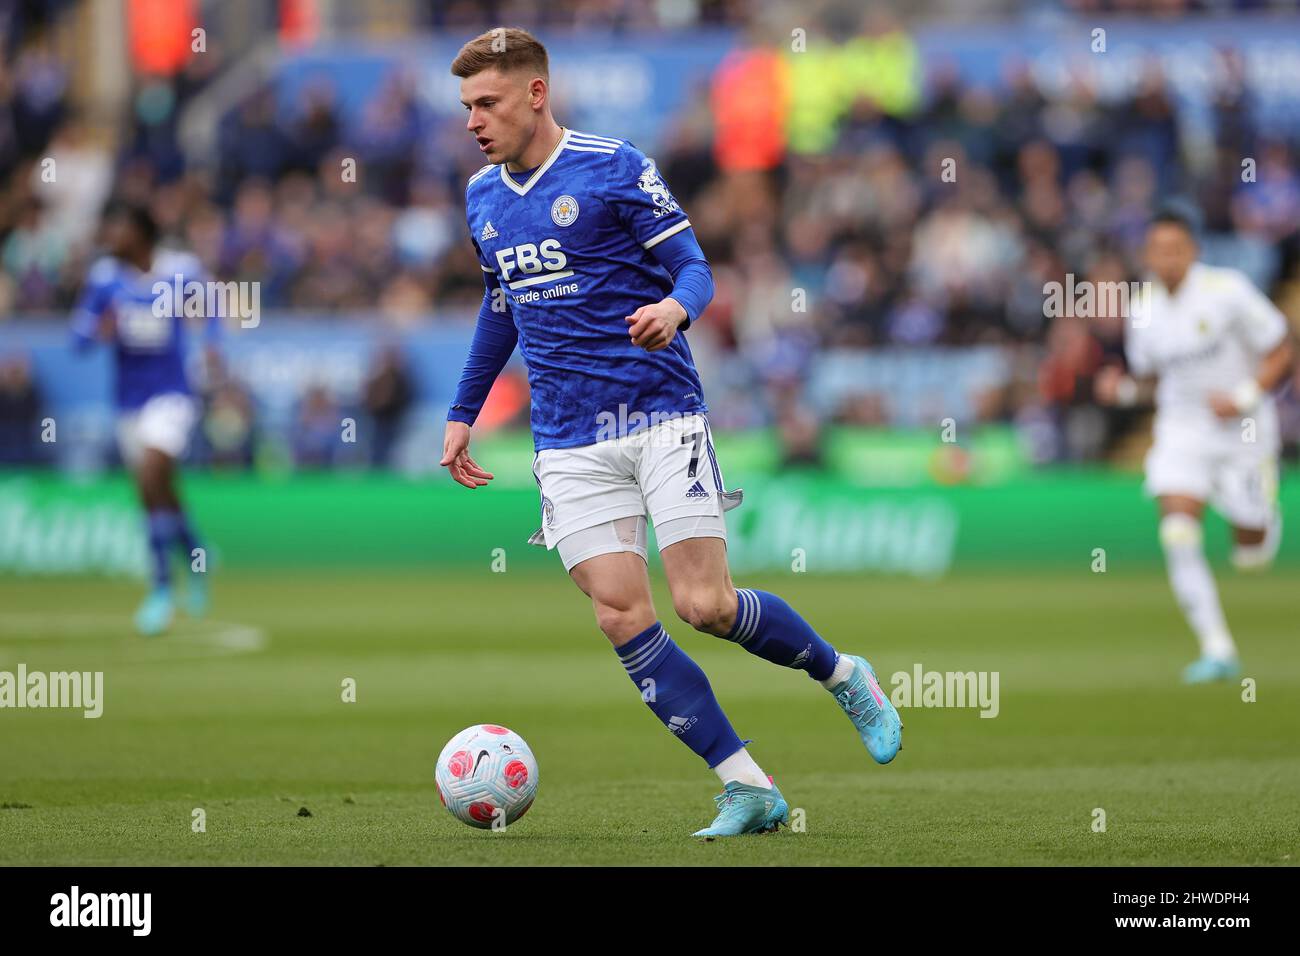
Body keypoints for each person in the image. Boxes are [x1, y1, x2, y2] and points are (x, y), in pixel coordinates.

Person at [440, 28, 902, 837]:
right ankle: (747, 784)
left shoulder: (612, 165)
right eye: (468, 107)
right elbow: (500, 306)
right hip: (566, 437)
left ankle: (841, 672)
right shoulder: (482, 197)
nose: (475, 121)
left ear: (536, 93)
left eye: (489, 103)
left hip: (657, 415)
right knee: (620, 614)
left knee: (705, 606)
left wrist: (675, 309)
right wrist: (462, 411)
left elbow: (695, 267)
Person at [1097, 209, 1295, 682]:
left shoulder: (1227, 292)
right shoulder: (1141, 309)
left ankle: (1261, 520)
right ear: (1147, 255)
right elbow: (1157, 379)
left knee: (1251, 554)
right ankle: (1218, 648)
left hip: (1243, 430)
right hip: (1182, 430)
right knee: (1178, 533)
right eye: (1158, 250)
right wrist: (1121, 391)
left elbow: (1282, 348)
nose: (1167, 259)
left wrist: (1243, 396)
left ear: (1193, 251)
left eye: (1176, 249)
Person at [71, 202, 216, 635]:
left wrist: (211, 345)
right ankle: (196, 552)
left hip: (171, 395)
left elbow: (212, 311)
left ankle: (160, 589)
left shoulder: (179, 270)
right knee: (156, 492)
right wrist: (100, 331)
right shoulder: (105, 279)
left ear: (140, 232)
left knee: (153, 474)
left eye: (119, 226)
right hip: (128, 403)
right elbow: (77, 340)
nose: (111, 235)